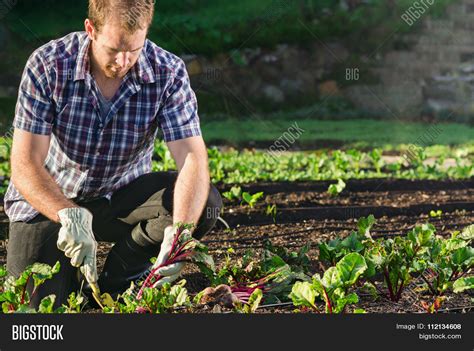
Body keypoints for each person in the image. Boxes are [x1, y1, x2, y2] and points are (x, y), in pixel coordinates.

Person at [4, 0, 223, 308]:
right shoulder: (48, 64)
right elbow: (25, 164)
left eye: (133, 50)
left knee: (205, 203)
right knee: (38, 307)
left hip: (119, 199)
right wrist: (69, 215)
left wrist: (180, 234)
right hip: (49, 202)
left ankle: (122, 277)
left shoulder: (168, 72)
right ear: (90, 29)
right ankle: (74, 276)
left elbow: (192, 159)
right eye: (113, 49)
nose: (122, 61)